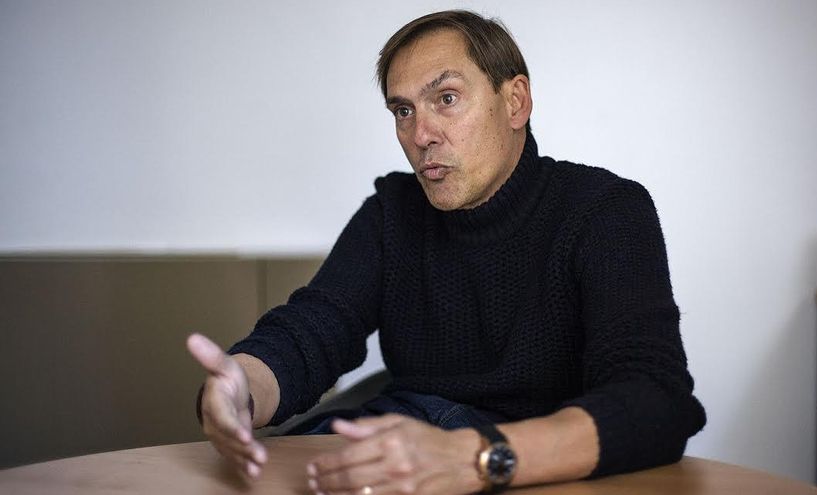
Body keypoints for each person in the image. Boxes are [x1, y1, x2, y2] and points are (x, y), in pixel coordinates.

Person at [187, 9, 705, 495]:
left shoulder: (604, 210)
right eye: (403, 110)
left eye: (447, 98)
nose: (421, 135)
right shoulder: (393, 211)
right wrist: (241, 388)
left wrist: (475, 456)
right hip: (407, 434)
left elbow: (654, 400)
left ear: (515, 102)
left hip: (542, 469)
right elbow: (315, 329)